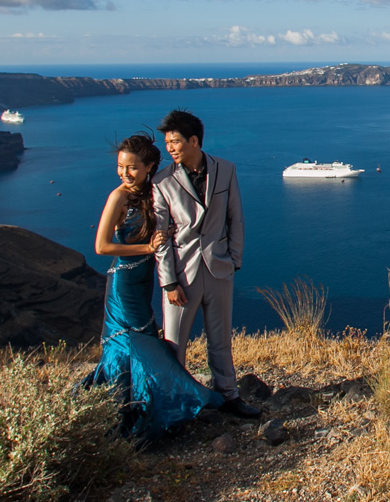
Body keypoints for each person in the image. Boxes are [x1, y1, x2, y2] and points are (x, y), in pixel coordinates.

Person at [82, 134, 225, 441]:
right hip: (123, 286)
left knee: (143, 341)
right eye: (121, 166)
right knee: (135, 345)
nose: (124, 173)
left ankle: (141, 404)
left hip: (145, 283)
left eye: (131, 168)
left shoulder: (154, 191)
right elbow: (102, 246)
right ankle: (158, 406)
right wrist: (147, 249)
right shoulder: (117, 197)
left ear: (149, 167)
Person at [153, 109, 260, 418]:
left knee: (221, 339)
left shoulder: (225, 170)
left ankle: (229, 396)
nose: (169, 148)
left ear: (194, 141)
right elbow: (161, 238)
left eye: (174, 142)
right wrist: (169, 282)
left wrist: (234, 260)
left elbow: (235, 217)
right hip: (182, 276)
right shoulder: (162, 182)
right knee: (175, 344)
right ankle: (174, 405)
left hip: (219, 269)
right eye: (167, 143)